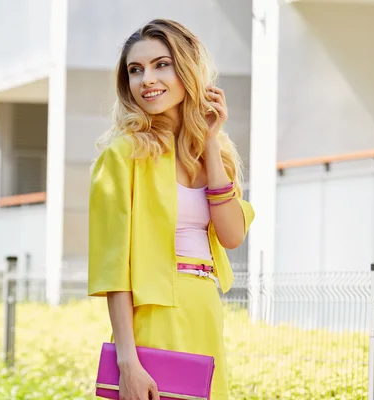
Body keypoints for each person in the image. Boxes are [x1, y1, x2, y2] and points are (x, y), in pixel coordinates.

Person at [88, 19, 255, 400]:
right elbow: (116, 268)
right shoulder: (124, 154)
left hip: (204, 308)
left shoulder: (217, 155)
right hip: (153, 313)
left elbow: (231, 236)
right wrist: (127, 362)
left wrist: (210, 142)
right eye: (136, 70)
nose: (147, 79)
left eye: (161, 65)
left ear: (187, 70)